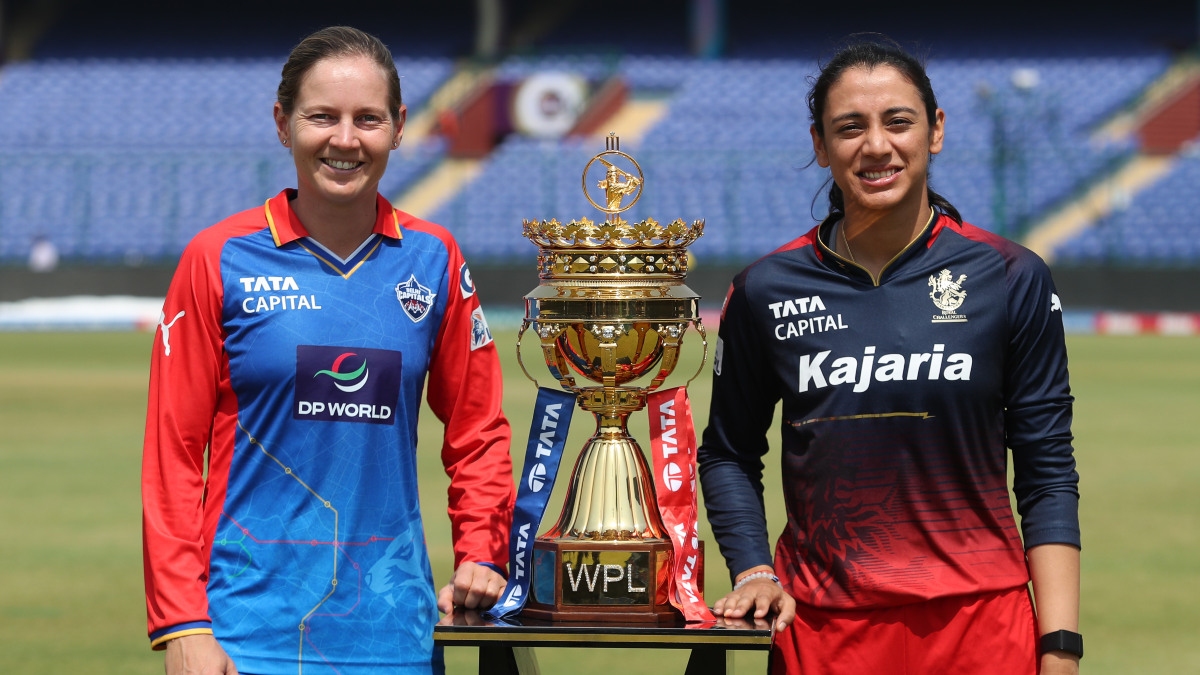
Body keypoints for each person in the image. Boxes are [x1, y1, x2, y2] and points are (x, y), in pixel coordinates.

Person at [697, 37, 1081, 675]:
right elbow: (729, 452)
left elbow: (1046, 470)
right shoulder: (766, 288)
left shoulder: (1010, 275)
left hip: (982, 628)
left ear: (935, 131)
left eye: (898, 121)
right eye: (850, 128)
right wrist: (754, 568)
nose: (876, 145)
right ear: (820, 145)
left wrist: (1061, 648)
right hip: (821, 631)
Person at [141, 26, 514, 675]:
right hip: (244, 635)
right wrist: (182, 624)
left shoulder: (436, 258)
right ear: (283, 123)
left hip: (393, 634)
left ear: (399, 127)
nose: (345, 139)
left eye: (367, 118)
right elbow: (172, 456)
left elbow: (478, 429)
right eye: (323, 117)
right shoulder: (217, 258)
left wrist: (481, 549)